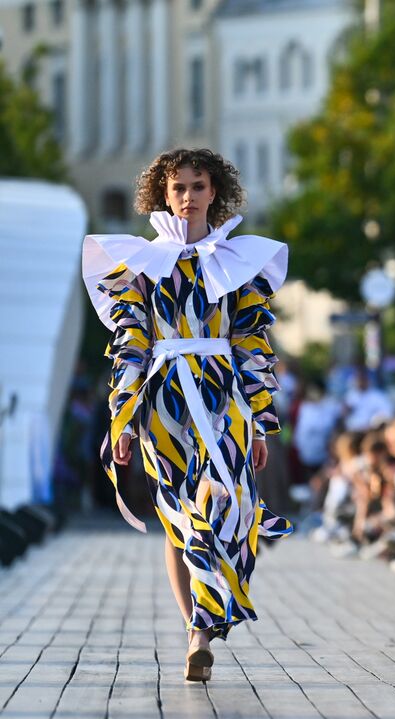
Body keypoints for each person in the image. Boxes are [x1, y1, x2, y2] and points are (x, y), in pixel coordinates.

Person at [82, 148, 292, 682]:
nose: (188, 197)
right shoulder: (142, 263)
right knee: (177, 521)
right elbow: (130, 343)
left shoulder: (238, 261)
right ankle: (196, 631)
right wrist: (122, 418)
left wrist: (262, 418)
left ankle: (204, 624)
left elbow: (251, 342)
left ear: (214, 192)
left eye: (198, 186)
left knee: (228, 501)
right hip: (164, 403)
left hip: (224, 398)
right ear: (163, 193)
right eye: (178, 188)